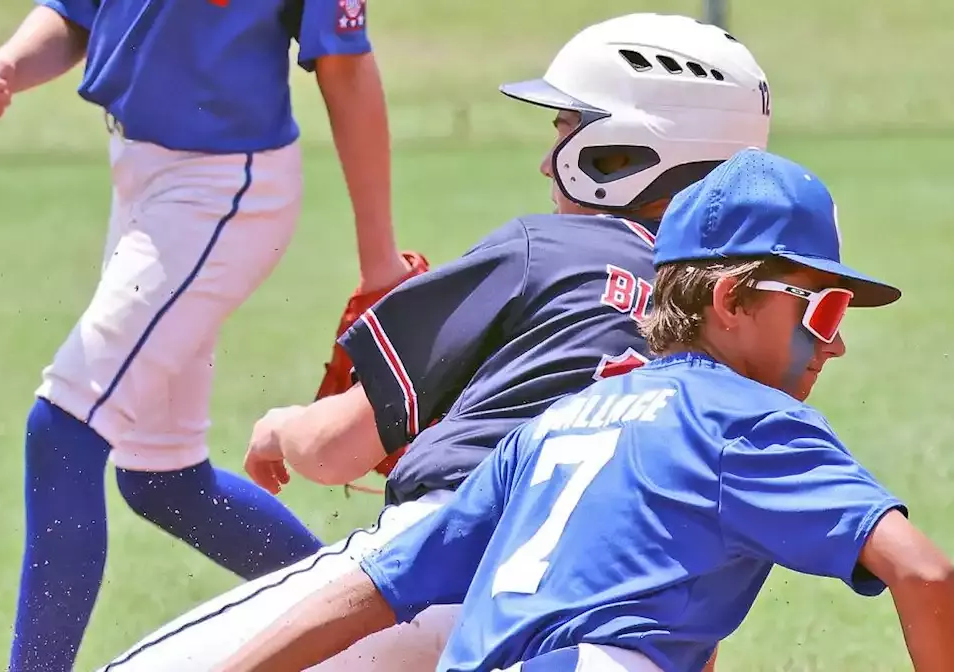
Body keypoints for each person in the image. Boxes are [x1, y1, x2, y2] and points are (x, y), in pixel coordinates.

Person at [97, 13, 775, 672]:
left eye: (566, 129)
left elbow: (338, 450)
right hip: (606, 624)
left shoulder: (548, 248)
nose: (547, 161)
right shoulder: (738, 329)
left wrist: (284, 429)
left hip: (443, 571)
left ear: (623, 152)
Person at [214, 148, 954, 672]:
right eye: (825, 308)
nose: (831, 344)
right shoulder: (748, 423)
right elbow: (925, 574)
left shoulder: (556, 425)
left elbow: (368, 590)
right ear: (731, 301)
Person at [0, 1, 414, 670]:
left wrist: (380, 263)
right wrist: (6, 67)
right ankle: (383, 632)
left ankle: (380, 627)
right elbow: (76, 13)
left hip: (223, 189)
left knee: (64, 429)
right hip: (138, 174)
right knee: (163, 480)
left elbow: (344, 67)